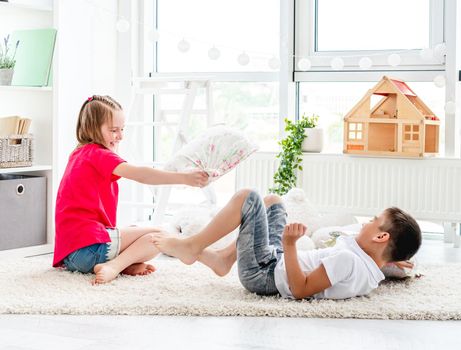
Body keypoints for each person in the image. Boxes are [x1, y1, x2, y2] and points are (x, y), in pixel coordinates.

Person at [151, 189, 422, 300]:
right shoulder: (368, 268)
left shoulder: (349, 261)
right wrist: (394, 261)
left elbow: (300, 289)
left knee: (248, 197)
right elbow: (376, 258)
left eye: (373, 221)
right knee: (273, 201)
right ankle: (223, 258)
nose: (365, 223)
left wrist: (290, 244)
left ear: (381, 237)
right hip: (275, 261)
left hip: (265, 274)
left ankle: (191, 246)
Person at [52, 95, 208, 285]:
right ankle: (115, 266)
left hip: (71, 256)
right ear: (92, 128)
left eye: (122, 129)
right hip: (87, 249)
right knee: (160, 235)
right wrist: (183, 178)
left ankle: (122, 264)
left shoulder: (79, 154)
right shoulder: (99, 155)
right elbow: (141, 174)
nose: (120, 136)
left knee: (137, 230)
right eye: (114, 130)